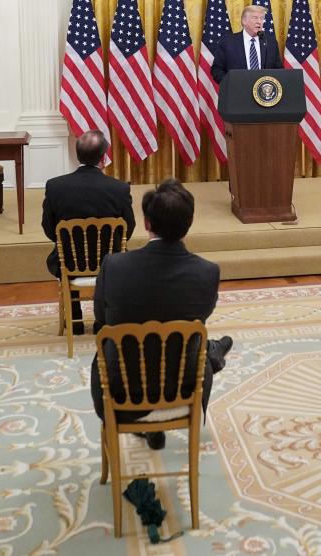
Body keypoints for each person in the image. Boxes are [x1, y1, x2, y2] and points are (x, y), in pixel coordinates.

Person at [90, 179, 234, 450]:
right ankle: (212, 354)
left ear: (146, 223)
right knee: (196, 345)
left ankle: (211, 353)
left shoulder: (113, 265)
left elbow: (101, 318)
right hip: (182, 391)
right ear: (190, 222)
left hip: (120, 392)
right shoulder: (207, 272)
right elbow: (201, 315)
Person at [40, 130, 136, 334]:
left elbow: (49, 229)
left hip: (70, 262)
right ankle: (103, 321)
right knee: (118, 258)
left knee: (62, 256)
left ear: (78, 155)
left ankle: (74, 321)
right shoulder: (119, 189)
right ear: (103, 157)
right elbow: (129, 228)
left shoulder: (56, 187)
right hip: (111, 262)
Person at [210, 5, 282, 83]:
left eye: (262, 18)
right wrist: (229, 84)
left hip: (264, 92)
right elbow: (217, 69)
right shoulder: (228, 42)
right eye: (255, 18)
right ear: (244, 21)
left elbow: (279, 70)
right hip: (237, 92)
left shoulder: (270, 42)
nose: (259, 22)